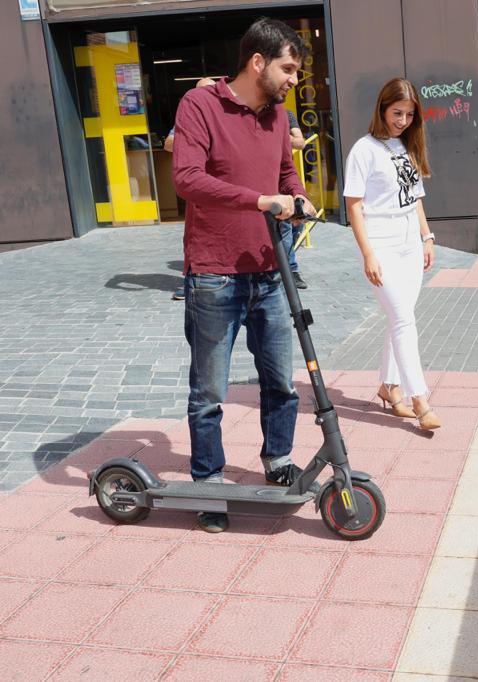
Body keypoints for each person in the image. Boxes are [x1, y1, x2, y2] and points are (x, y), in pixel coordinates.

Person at [173, 18, 315, 533]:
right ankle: (208, 482)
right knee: (209, 392)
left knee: (281, 382)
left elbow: (284, 172)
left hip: (270, 270)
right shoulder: (200, 105)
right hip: (215, 273)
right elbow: (187, 179)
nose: (293, 80)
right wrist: (260, 201)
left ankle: (278, 460)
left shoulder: (278, 116)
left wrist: (297, 196)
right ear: (258, 62)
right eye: (288, 69)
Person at [343, 78, 441, 431]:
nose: (403, 120)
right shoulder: (364, 150)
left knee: (401, 317)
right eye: (397, 112)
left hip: (410, 245)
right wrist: (367, 253)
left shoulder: (407, 145)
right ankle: (420, 400)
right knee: (402, 320)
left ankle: (388, 386)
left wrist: (427, 237)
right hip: (380, 245)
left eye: (409, 114)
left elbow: (415, 198)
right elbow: (354, 206)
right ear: (382, 109)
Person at [165, 77, 218, 301]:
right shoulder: (189, 117)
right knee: (195, 237)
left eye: (209, 92)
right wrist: (194, 143)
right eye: (199, 93)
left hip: (225, 186)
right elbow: (168, 143)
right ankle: (191, 283)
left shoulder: (227, 116)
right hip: (199, 187)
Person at [281, 109, 310, 289]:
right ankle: (289, 270)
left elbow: (300, 142)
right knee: (285, 226)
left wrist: (279, 135)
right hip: (269, 181)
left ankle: (288, 267)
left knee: (296, 224)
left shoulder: (286, 114)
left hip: (286, 176)